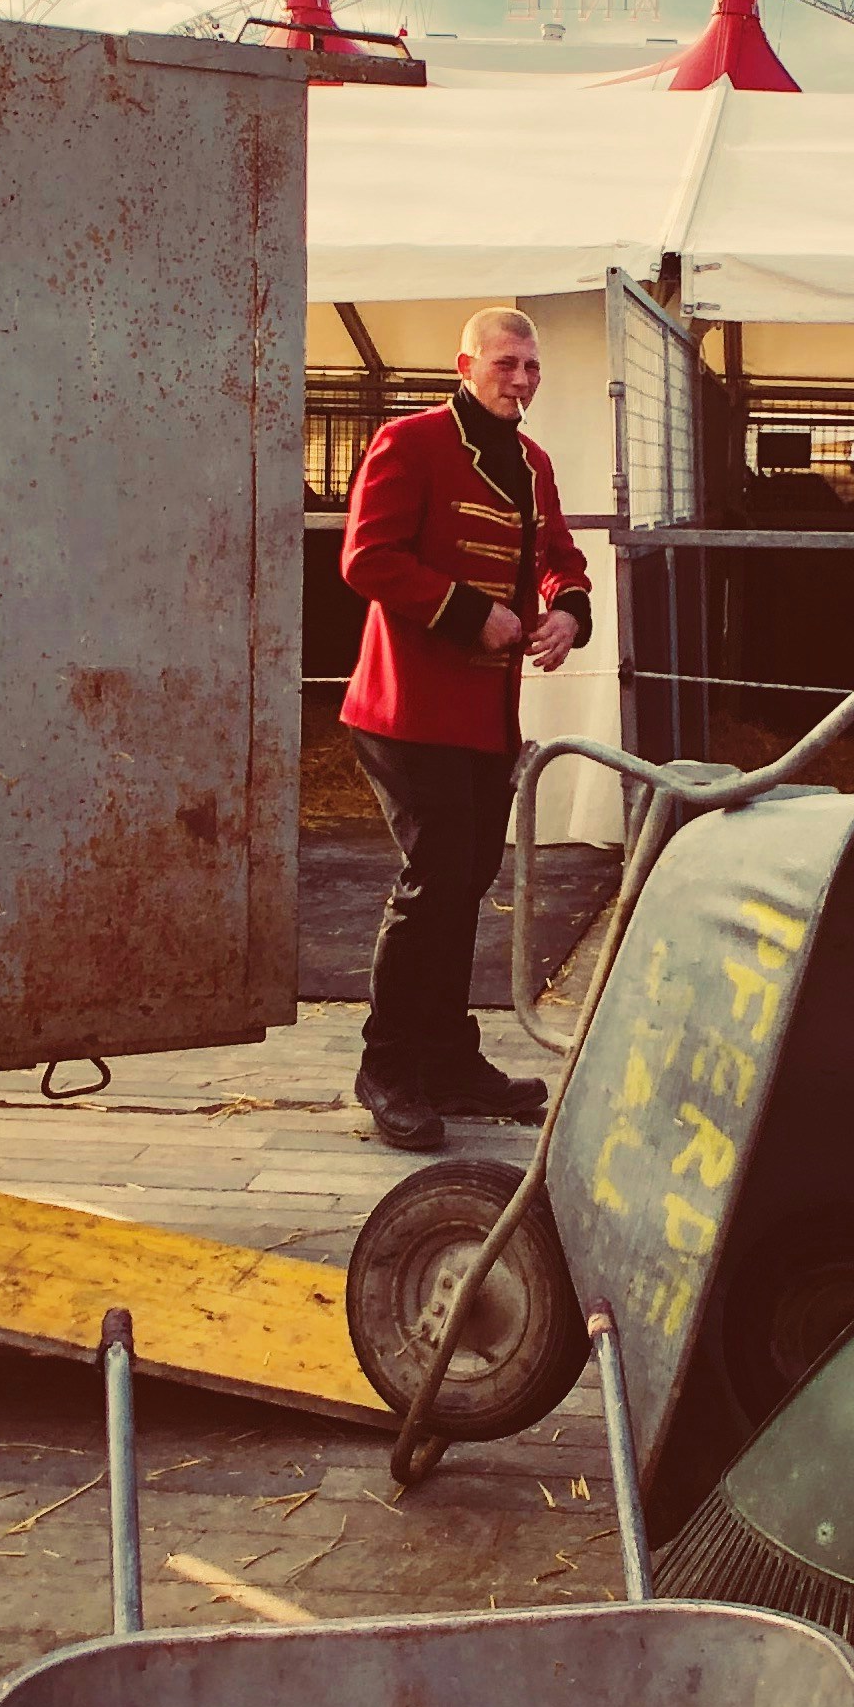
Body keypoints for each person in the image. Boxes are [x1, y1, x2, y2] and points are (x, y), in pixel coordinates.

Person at [337, 305, 592, 1151]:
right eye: (507, 364)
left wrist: (567, 614)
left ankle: (447, 1059)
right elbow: (366, 559)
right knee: (437, 878)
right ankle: (390, 1070)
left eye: (532, 367)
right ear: (466, 364)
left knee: (465, 882)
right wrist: (466, 613)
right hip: (406, 710)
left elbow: (557, 555)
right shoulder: (408, 444)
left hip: (486, 716)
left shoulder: (532, 461)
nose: (521, 380)